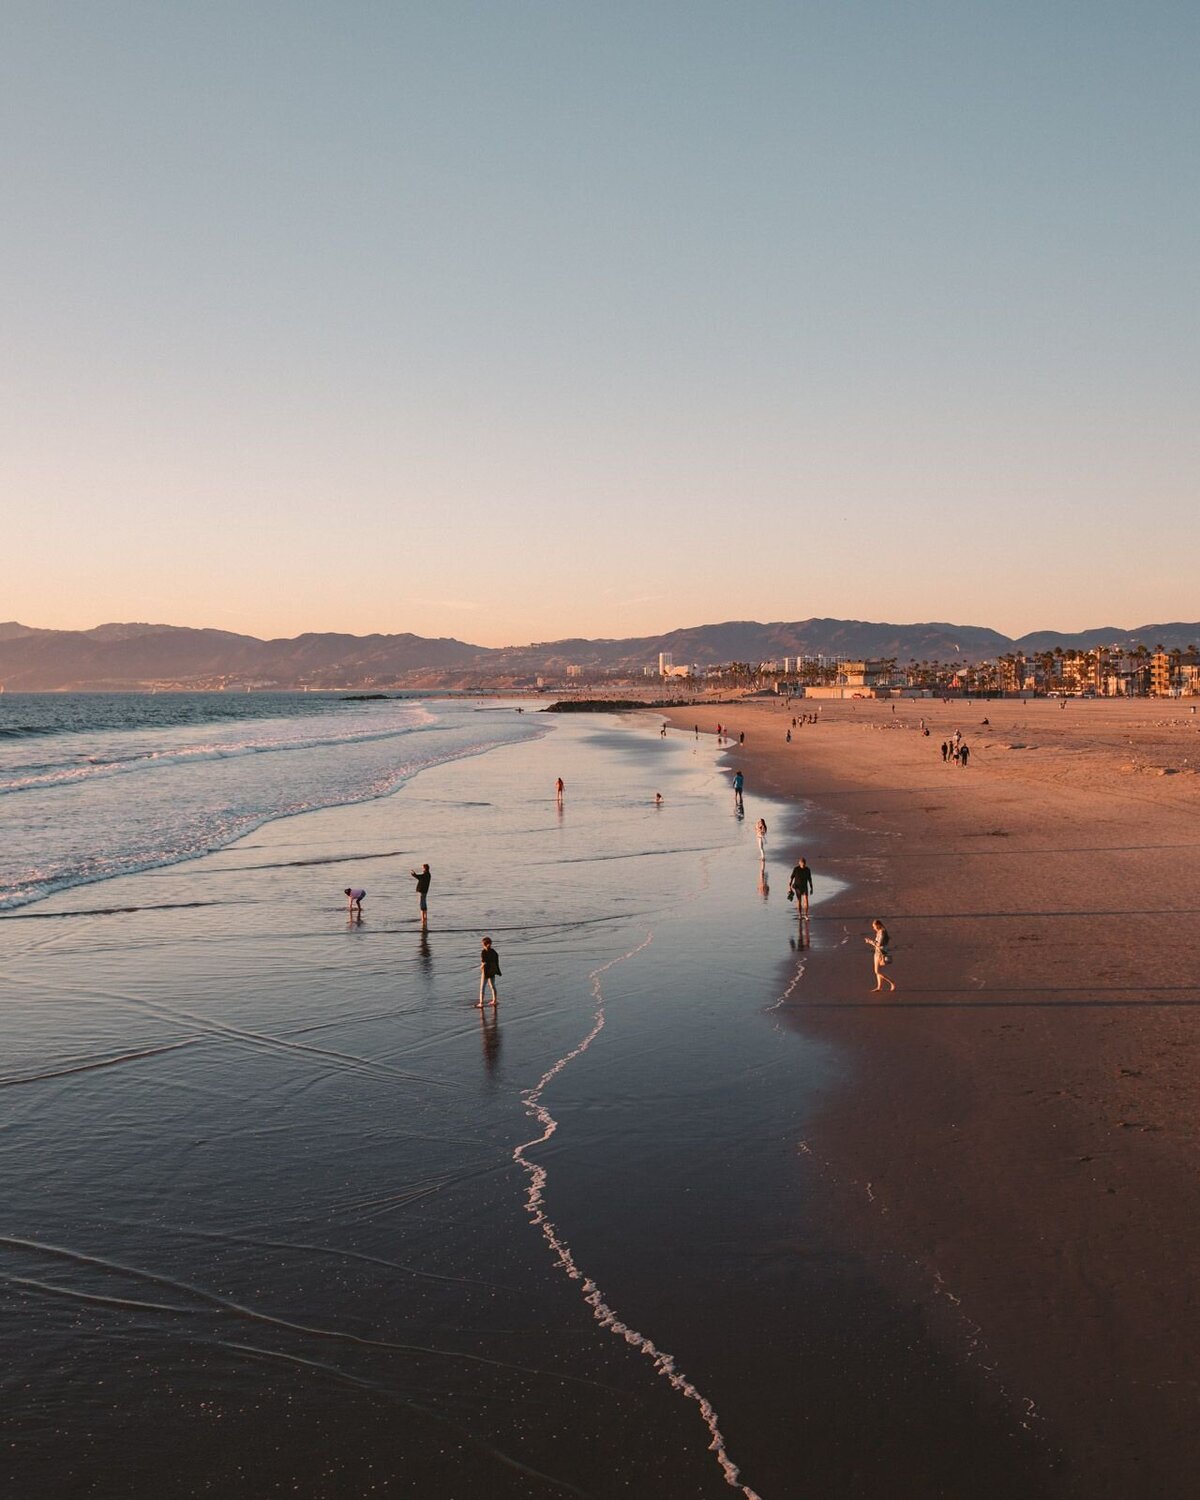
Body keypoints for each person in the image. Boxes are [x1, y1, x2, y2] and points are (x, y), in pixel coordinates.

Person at [866, 919, 895, 992]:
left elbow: (879, 944)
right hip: (877, 952)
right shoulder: (879, 932)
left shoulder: (882, 932)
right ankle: (879, 987)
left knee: (877, 971)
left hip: (881, 953)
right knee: (877, 971)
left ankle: (892, 982)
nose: (873, 928)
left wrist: (870, 942)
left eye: (874, 926)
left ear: (878, 925)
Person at [478, 936, 501, 1007]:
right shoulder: (494, 952)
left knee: (482, 987)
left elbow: (483, 963)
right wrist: (498, 970)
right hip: (492, 971)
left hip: (485, 972)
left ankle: (481, 1003)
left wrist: (480, 967)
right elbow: (496, 961)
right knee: (493, 986)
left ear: (484, 944)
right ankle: (494, 1000)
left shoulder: (483, 952)